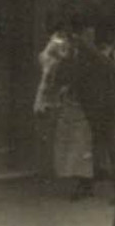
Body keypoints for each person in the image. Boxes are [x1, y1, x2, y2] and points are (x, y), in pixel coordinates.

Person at [37, 19, 95, 201]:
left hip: (82, 95)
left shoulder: (80, 47)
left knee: (81, 140)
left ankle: (85, 182)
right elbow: (48, 64)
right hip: (67, 94)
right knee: (69, 138)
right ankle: (77, 179)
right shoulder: (59, 44)